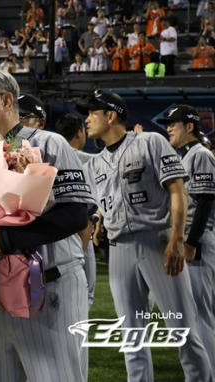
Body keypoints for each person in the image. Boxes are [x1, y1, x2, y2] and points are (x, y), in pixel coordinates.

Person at [0, 68, 91, 382]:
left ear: (6, 100)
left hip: (50, 288)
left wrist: (3, 239)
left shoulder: (49, 144)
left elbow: (75, 215)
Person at [78, 90, 214, 382]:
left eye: (92, 113)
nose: (87, 120)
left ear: (110, 115)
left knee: (183, 330)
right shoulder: (94, 163)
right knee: (131, 337)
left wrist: (177, 240)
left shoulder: (150, 142)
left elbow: (177, 190)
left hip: (157, 242)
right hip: (119, 251)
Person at [159, 104, 215, 370]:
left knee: (201, 316)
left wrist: (190, 242)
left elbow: (205, 201)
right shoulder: (183, 156)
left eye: (174, 123)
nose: (168, 128)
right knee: (191, 315)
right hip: (190, 241)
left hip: (198, 242)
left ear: (190, 126)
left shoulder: (199, 154)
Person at [54, 113, 97, 308]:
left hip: (53, 236)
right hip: (79, 236)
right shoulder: (88, 161)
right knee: (84, 294)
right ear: (80, 133)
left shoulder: (48, 157)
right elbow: (88, 214)